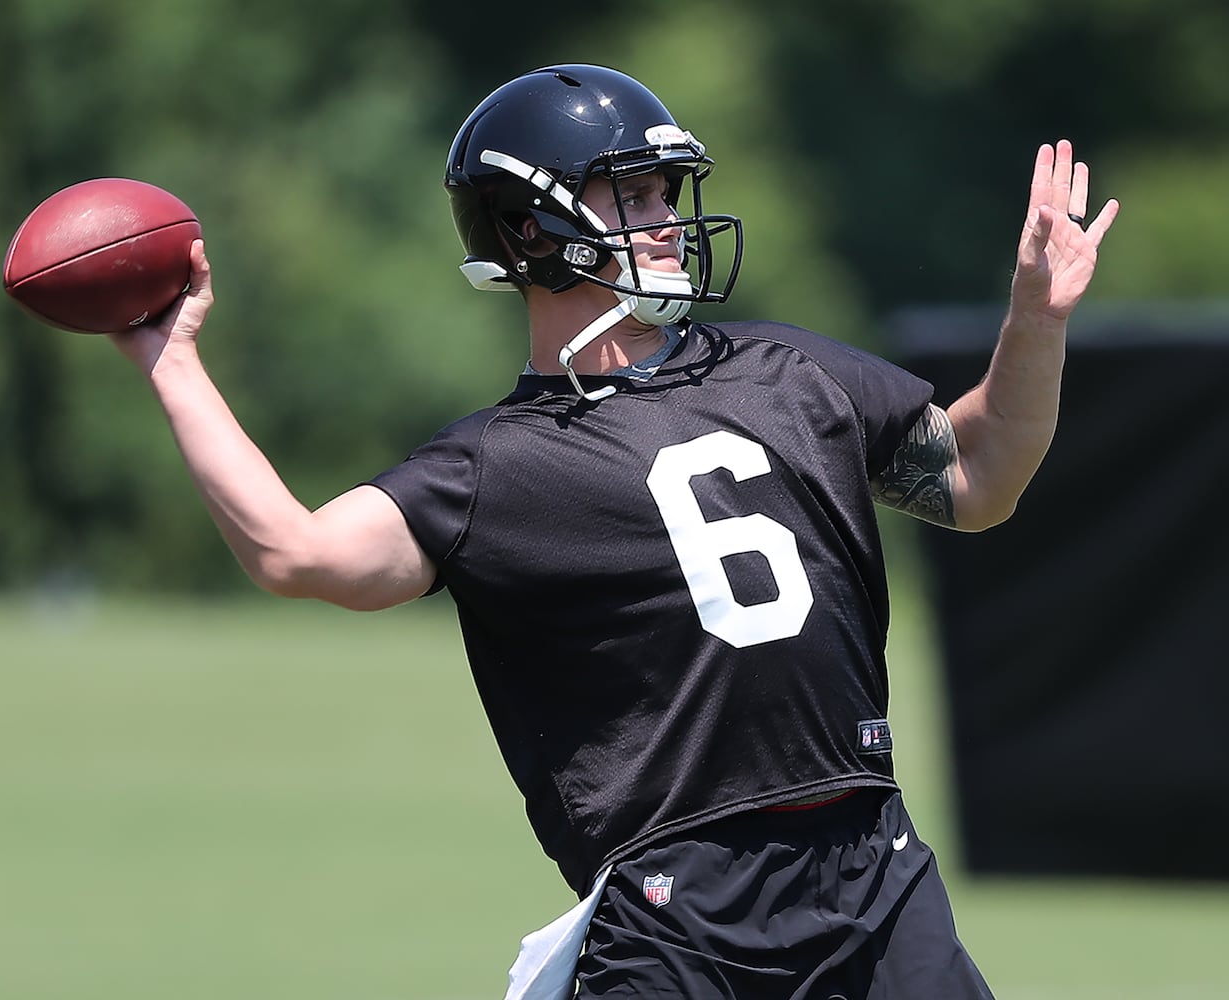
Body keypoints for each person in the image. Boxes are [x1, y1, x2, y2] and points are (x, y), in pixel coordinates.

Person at [111, 64, 1118, 999]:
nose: (667, 220)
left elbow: (979, 479)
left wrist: (1035, 313)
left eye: (664, 193)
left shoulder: (793, 373)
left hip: (873, 870)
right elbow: (296, 550)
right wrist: (174, 363)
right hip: (676, 915)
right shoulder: (495, 466)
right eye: (631, 194)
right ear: (531, 228)